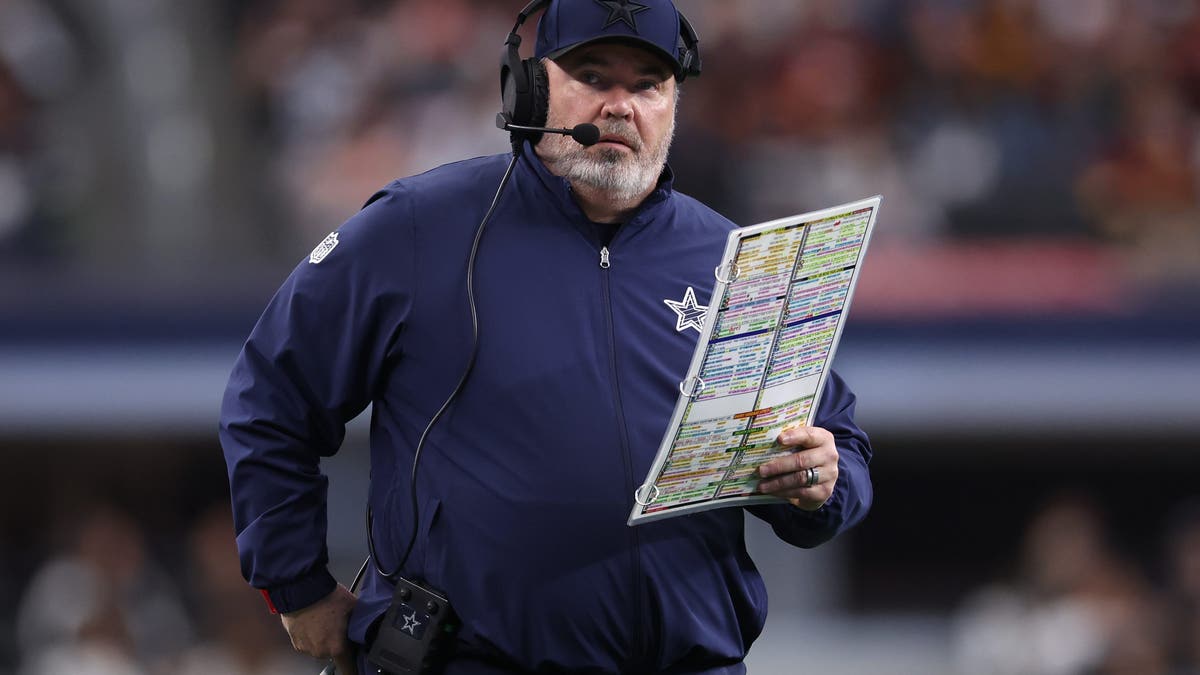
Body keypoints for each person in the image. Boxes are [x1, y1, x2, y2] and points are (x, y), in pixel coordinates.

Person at [219, 1, 874, 673]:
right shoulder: (418, 227)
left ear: (674, 106)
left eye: (648, 84)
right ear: (530, 88)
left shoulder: (739, 260)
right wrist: (296, 585)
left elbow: (840, 447)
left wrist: (822, 484)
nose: (622, 104)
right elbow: (270, 397)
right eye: (593, 75)